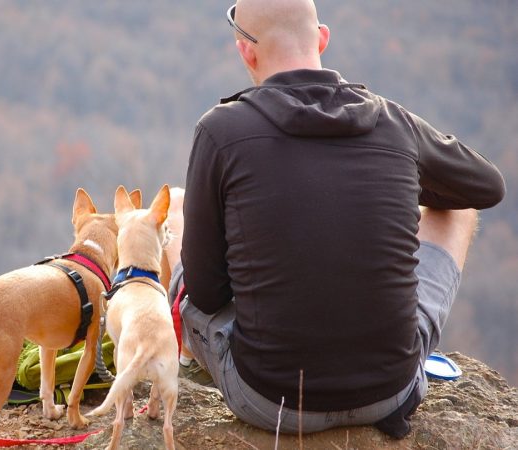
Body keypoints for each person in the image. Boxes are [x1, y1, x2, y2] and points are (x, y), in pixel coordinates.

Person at [166, 0, 506, 438]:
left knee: (175, 204)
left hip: (271, 400)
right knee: (457, 211)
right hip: (392, 391)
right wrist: (392, 178)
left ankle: (187, 358)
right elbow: (485, 186)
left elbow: (209, 295)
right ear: (322, 38)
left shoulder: (221, 131)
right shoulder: (392, 122)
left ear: (245, 52)